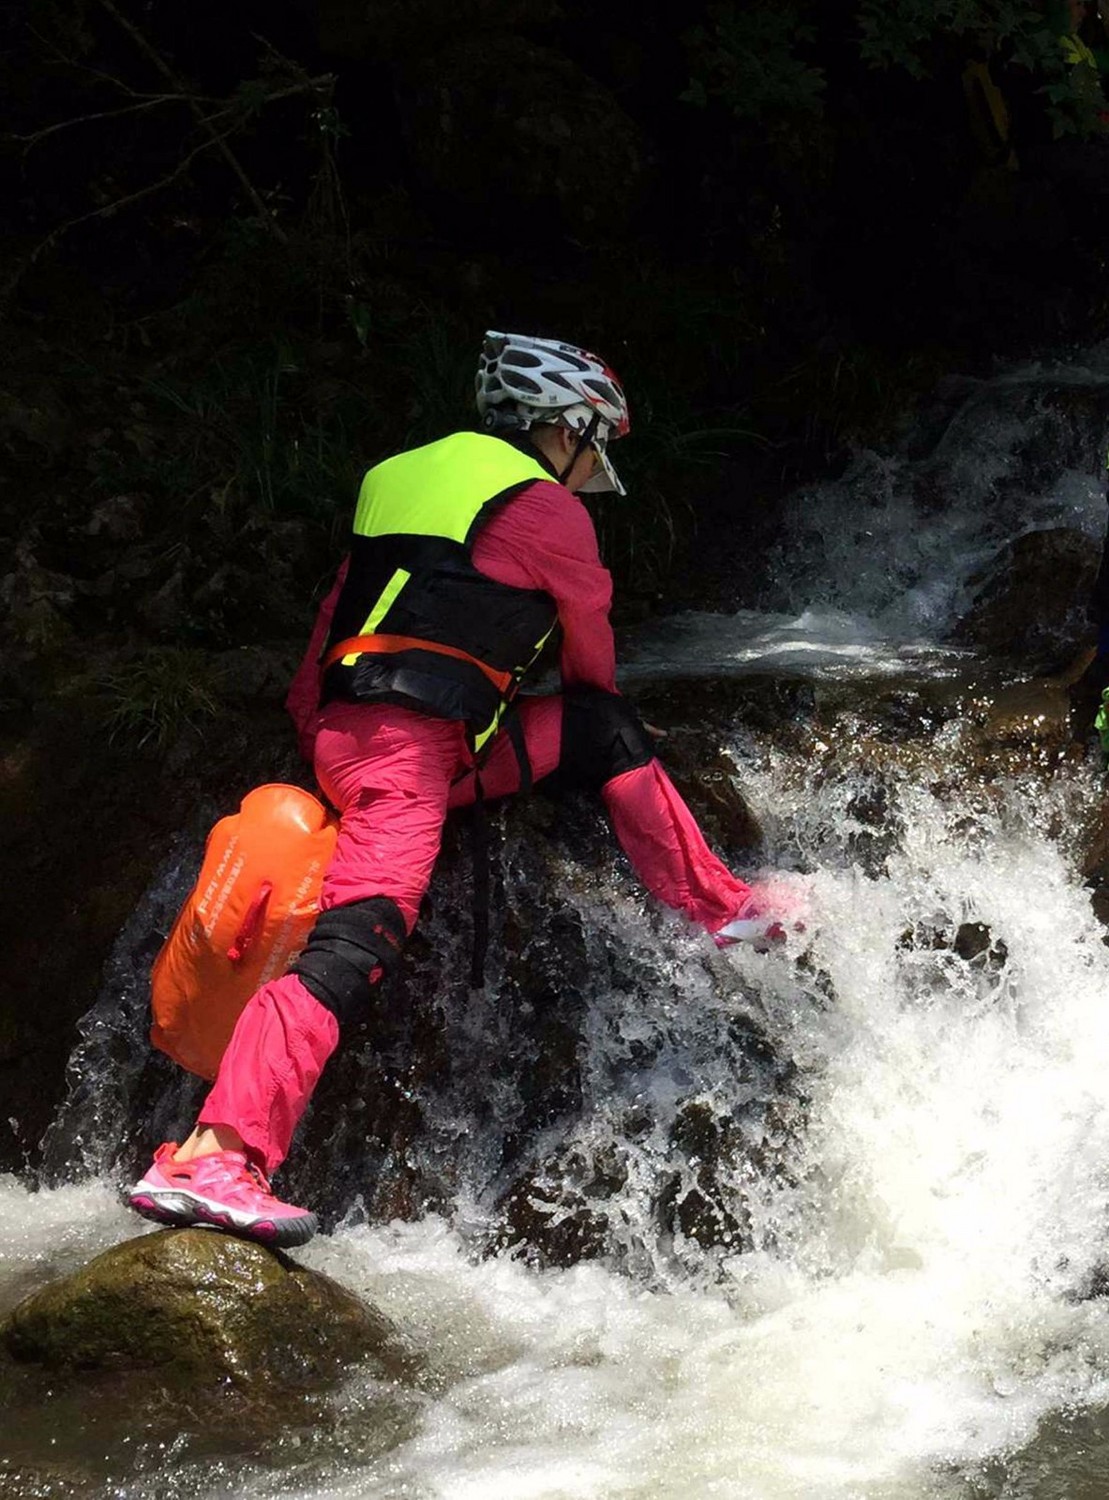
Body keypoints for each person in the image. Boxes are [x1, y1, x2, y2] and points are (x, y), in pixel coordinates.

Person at [128, 331, 787, 1247]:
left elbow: (337, 620)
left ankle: (726, 908)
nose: (592, 459)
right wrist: (580, 694)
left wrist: (327, 748)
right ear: (561, 428)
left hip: (363, 737)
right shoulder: (547, 510)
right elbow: (589, 645)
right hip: (409, 757)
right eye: (591, 438)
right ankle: (214, 1155)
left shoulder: (395, 474)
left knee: (599, 738)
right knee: (356, 941)